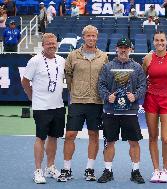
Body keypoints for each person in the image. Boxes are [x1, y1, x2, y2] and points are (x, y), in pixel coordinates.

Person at [57, 25, 108, 182]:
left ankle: (89, 169)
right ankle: (66, 169)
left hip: (96, 102)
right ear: (83, 37)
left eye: (94, 36)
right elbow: (69, 76)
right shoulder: (73, 56)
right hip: (77, 101)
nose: (91, 38)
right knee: (70, 135)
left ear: (96, 38)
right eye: (88, 36)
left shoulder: (103, 56)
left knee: (94, 135)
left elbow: (105, 78)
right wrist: (76, 91)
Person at [97, 37, 146, 184]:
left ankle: (135, 171)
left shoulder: (137, 67)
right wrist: (107, 96)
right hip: (111, 112)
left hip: (130, 112)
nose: (123, 50)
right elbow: (101, 85)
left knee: (134, 142)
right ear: (116, 49)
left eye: (126, 47)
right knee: (109, 142)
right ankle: (108, 171)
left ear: (130, 49)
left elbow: (143, 86)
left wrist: (135, 95)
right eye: (121, 47)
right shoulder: (108, 66)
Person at [21, 33, 65, 184]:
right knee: (40, 138)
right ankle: (38, 170)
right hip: (41, 107)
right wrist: (31, 96)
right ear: (43, 45)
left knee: (54, 137)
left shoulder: (62, 60)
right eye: (48, 44)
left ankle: (50, 167)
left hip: (58, 105)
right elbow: (25, 81)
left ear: (57, 44)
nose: (51, 46)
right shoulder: (35, 61)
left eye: (54, 43)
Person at [142, 31, 167, 183]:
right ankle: (156, 170)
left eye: (162, 40)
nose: (160, 42)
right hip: (151, 99)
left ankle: (165, 170)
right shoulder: (147, 58)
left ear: (166, 41)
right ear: (153, 42)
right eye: (157, 40)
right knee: (152, 137)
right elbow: (141, 78)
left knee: (165, 138)